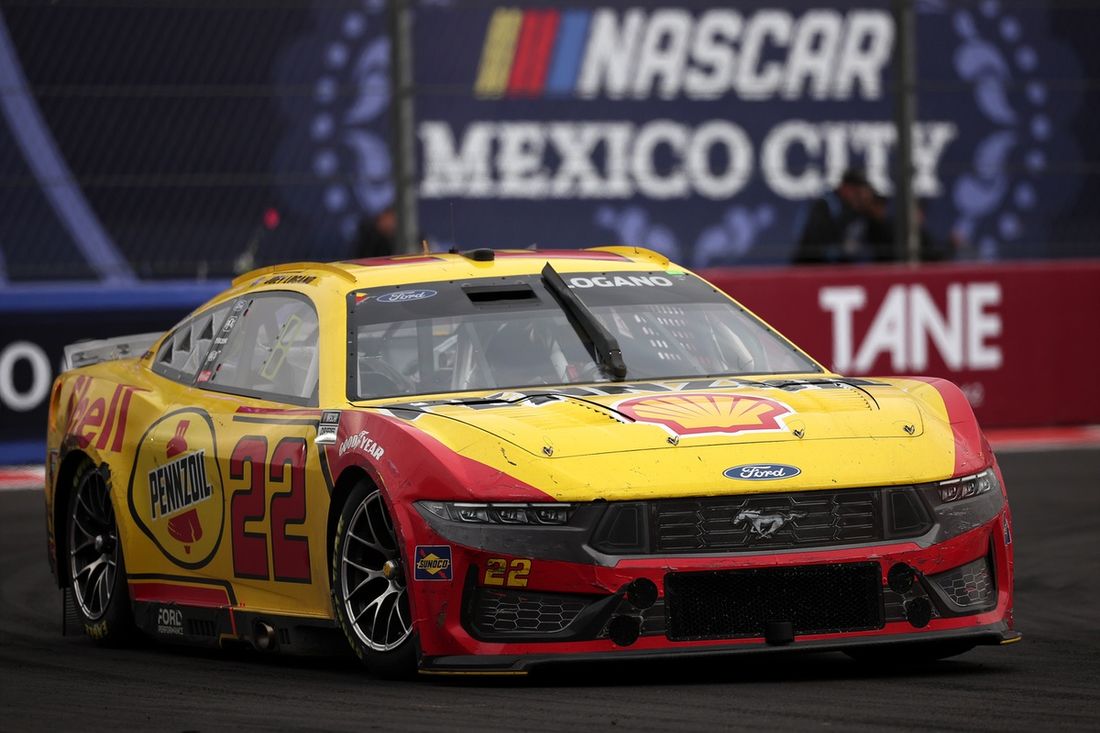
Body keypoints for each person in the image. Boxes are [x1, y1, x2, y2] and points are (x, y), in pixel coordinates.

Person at [792, 169, 874, 264]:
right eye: (856, 191)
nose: (858, 196)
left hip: (838, 267)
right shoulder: (824, 204)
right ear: (845, 188)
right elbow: (815, 242)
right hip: (812, 266)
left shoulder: (857, 210)